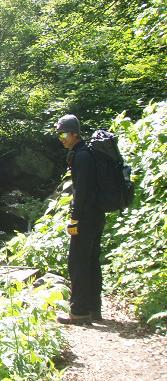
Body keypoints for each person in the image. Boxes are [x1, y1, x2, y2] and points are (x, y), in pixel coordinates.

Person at [55, 114, 105, 324]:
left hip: (85, 216)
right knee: (91, 260)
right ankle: (94, 309)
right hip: (96, 214)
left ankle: (78, 311)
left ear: (75, 133)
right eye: (59, 136)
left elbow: (80, 191)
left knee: (77, 262)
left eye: (64, 134)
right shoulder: (88, 152)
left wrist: (74, 218)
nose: (62, 139)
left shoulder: (81, 156)